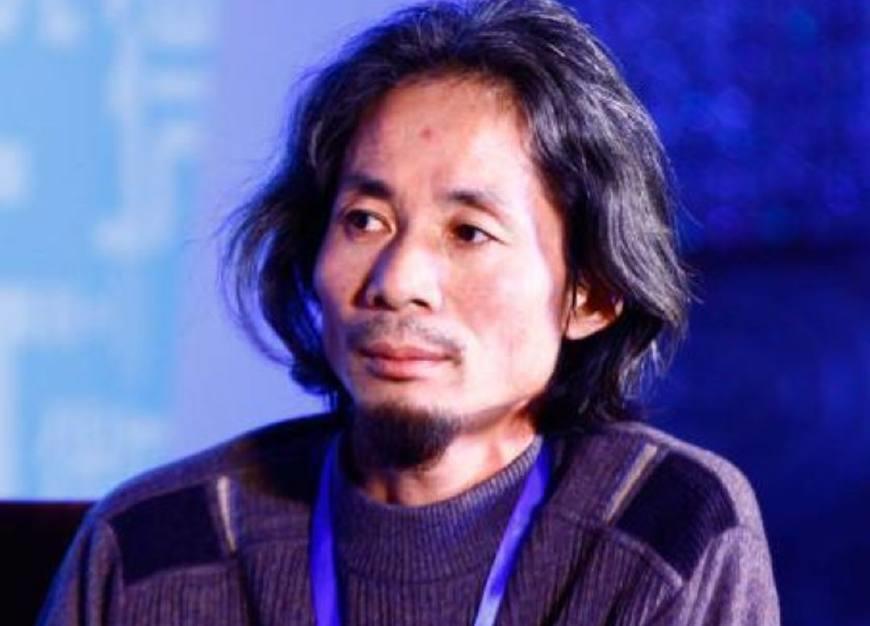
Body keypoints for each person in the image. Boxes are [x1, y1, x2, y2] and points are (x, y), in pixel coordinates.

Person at [39, 1, 779, 624]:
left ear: (592, 291)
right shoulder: (153, 547)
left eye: (468, 233)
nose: (398, 282)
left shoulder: (665, 526)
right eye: (364, 221)